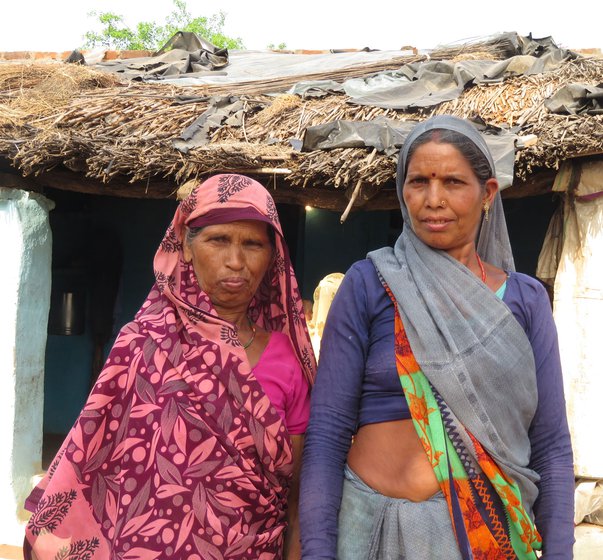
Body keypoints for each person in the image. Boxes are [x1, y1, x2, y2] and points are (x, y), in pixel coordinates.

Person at [299, 116, 574, 559]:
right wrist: (317, 550)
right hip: (369, 526)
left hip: (485, 531)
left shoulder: (524, 301)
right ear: (402, 190)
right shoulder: (370, 283)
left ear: (486, 194)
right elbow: (329, 432)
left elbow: (551, 446)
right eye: (418, 181)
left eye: (452, 182)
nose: (433, 199)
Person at [24, 173, 316, 560]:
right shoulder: (142, 343)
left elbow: (296, 496)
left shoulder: (288, 359)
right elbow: (92, 457)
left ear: (272, 256)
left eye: (253, 244)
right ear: (187, 248)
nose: (235, 260)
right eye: (218, 240)